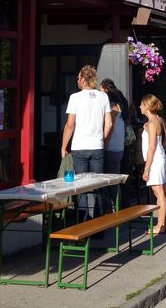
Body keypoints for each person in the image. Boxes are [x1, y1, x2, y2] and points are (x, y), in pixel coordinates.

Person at [61, 65, 113, 218]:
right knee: (98, 186)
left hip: (79, 147)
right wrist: (101, 139)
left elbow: (70, 125)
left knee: (82, 187)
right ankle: (99, 224)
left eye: (78, 78)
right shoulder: (103, 97)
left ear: (83, 79)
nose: (77, 80)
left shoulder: (75, 98)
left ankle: (83, 221)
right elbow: (109, 123)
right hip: (97, 147)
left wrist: (63, 146)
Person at [140, 94, 166, 234]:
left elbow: (151, 147)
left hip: (156, 160)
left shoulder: (152, 123)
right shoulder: (157, 119)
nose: (140, 107)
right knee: (163, 191)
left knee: (159, 193)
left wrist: (146, 169)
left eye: (141, 104)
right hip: (161, 157)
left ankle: (160, 225)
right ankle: (165, 223)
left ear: (146, 106)